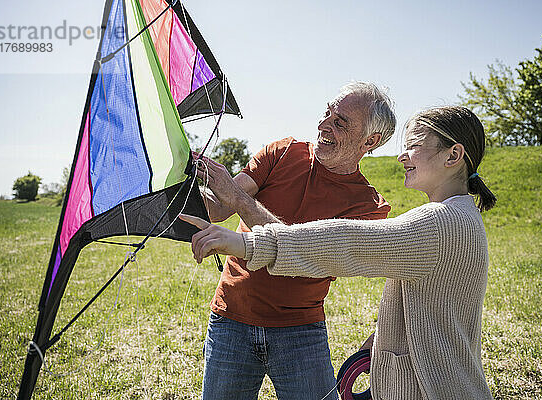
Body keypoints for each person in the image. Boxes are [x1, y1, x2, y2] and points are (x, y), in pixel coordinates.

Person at [181, 106, 497, 399]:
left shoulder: (437, 223)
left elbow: (343, 243)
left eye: (414, 144)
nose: (402, 155)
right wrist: (381, 340)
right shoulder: (462, 218)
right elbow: (438, 304)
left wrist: (244, 243)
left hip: (435, 388)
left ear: (453, 155)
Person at [194, 82, 397, 400]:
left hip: (299, 331)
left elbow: (305, 254)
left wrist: (233, 195)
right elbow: (219, 207)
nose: (323, 125)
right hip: (230, 318)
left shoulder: (369, 208)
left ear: (370, 141)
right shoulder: (282, 152)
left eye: (340, 122)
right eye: (328, 112)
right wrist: (180, 174)